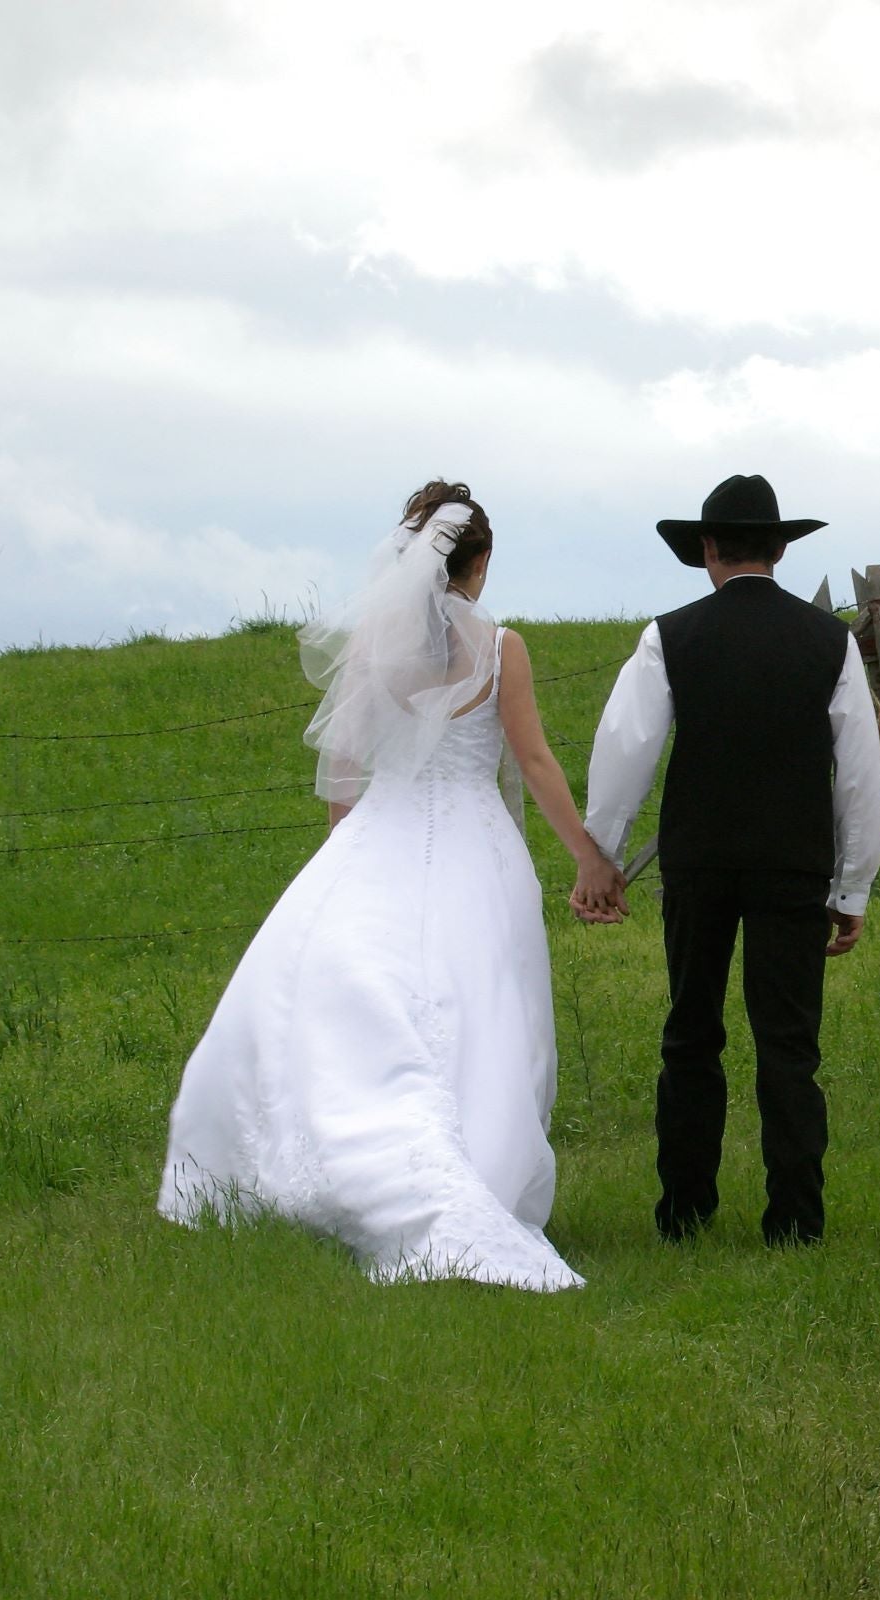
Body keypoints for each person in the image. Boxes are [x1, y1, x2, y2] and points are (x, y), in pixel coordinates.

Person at [157, 480, 625, 1291]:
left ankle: (331, 1164)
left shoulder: (374, 641)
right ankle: (477, 1170)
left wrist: (346, 853)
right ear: (475, 567)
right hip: (478, 843)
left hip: (382, 829)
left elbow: (345, 765)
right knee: (480, 1003)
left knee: (353, 994)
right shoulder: (501, 647)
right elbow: (536, 762)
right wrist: (588, 855)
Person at [581, 473, 880, 1246]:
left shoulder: (669, 637)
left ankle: (684, 1213)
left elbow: (626, 754)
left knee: (690, 1034)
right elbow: (858, 772)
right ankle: (795, 1222)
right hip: (794, 866)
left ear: (707, 549)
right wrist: (853, 887)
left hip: (699, 863)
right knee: (789, 1045)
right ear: (781, 548)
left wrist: (603, 856)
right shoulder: (829, 643)